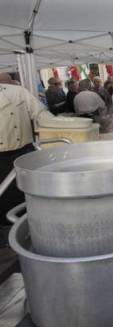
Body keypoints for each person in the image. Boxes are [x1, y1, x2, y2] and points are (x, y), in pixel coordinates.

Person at [0, 83, 52, 245]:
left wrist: (65, 127)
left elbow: (42, 115)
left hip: (22, 155)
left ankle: (25, 234)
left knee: (23, 197)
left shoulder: (17, 92)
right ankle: (9, 236)